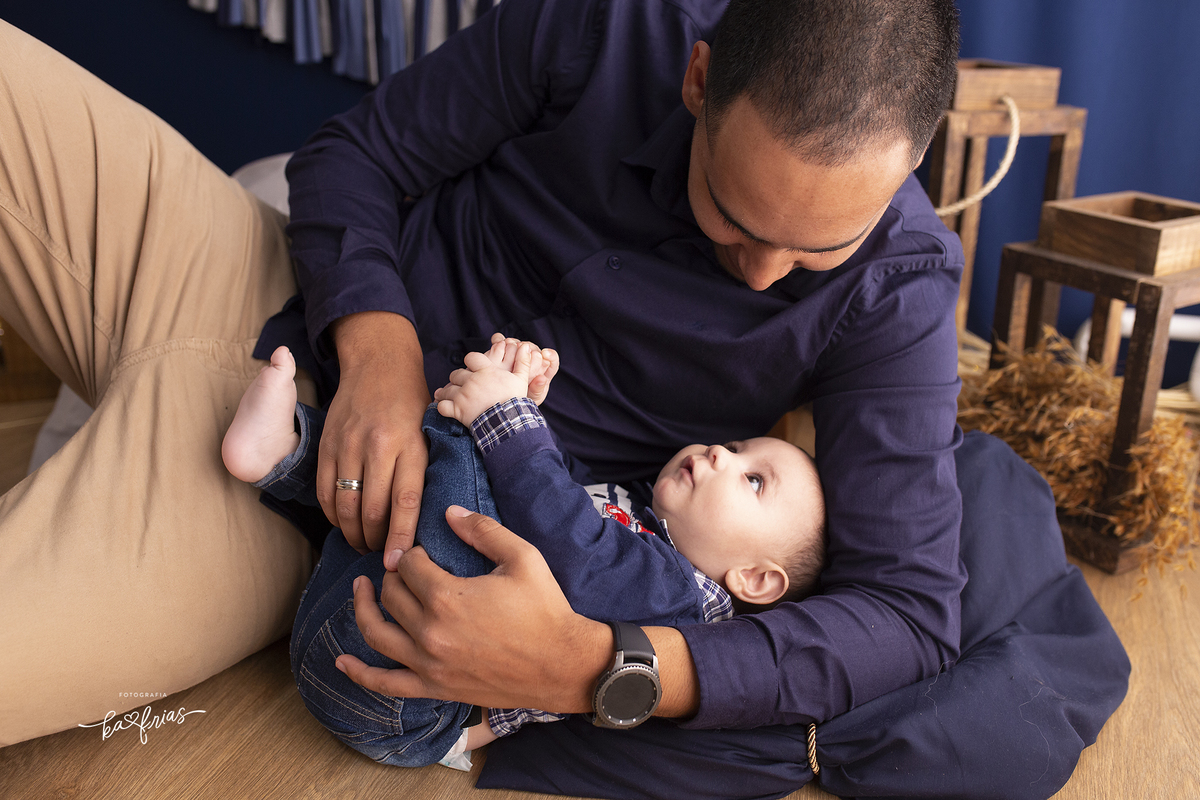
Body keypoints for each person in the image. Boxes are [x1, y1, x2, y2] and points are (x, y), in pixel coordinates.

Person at [0, 0, 963, 754]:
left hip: (348, 529)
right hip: (259, 283)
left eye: (815, 250)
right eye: (735, 217)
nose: (760, 273)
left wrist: (595, 664)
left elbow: (906, 616)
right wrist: (378, 356)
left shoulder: (898, 291)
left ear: (910, 164)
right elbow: (355, 155)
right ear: (700, 81)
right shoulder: (609, 25)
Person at [221, 334, 827, 768]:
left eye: (754, 480)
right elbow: (550, 482)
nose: (724, 454)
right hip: (357, 607)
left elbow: (568, 543)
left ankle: (313, 450)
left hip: (403, 693)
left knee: (463, 471)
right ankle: (285, 453)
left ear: (754, 579)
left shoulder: (679, 599)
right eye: (736, 444)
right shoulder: (631, 510)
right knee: (397, 493)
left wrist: (503, 418)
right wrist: (528, 409)